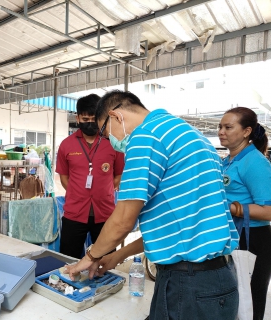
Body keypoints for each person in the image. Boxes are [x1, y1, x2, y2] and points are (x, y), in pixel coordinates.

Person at [66, 90, 239, 320]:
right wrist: (117, 256)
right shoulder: (190, 135)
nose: (113, 143)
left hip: (189, 285)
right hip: (218, 279)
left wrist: (91, 256)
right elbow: (172, 225)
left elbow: (123, 220)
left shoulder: (145, 137)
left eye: (108, 134)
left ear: (116, 116)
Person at [56, 94, 124, 259]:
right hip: (74, 212)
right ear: (78, 118)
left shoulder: (112, 143)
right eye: (85, 119)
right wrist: (78, 191)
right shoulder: (67, 145)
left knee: (106, 260)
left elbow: (118, 175)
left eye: (94, 119)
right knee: (68, 259)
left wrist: (104, 190)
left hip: (105, 213)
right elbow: (64, 177)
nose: (90, 123)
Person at [219, 107, 271, 320]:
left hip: (254, 240)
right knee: (234, 298)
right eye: (220, 126)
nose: (221, 131)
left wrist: (228, 207)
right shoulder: (228, 161)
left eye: (228, 127)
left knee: (251, 300)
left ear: (246, 131)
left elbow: (268, 211)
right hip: (235, 235)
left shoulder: (255, 163)